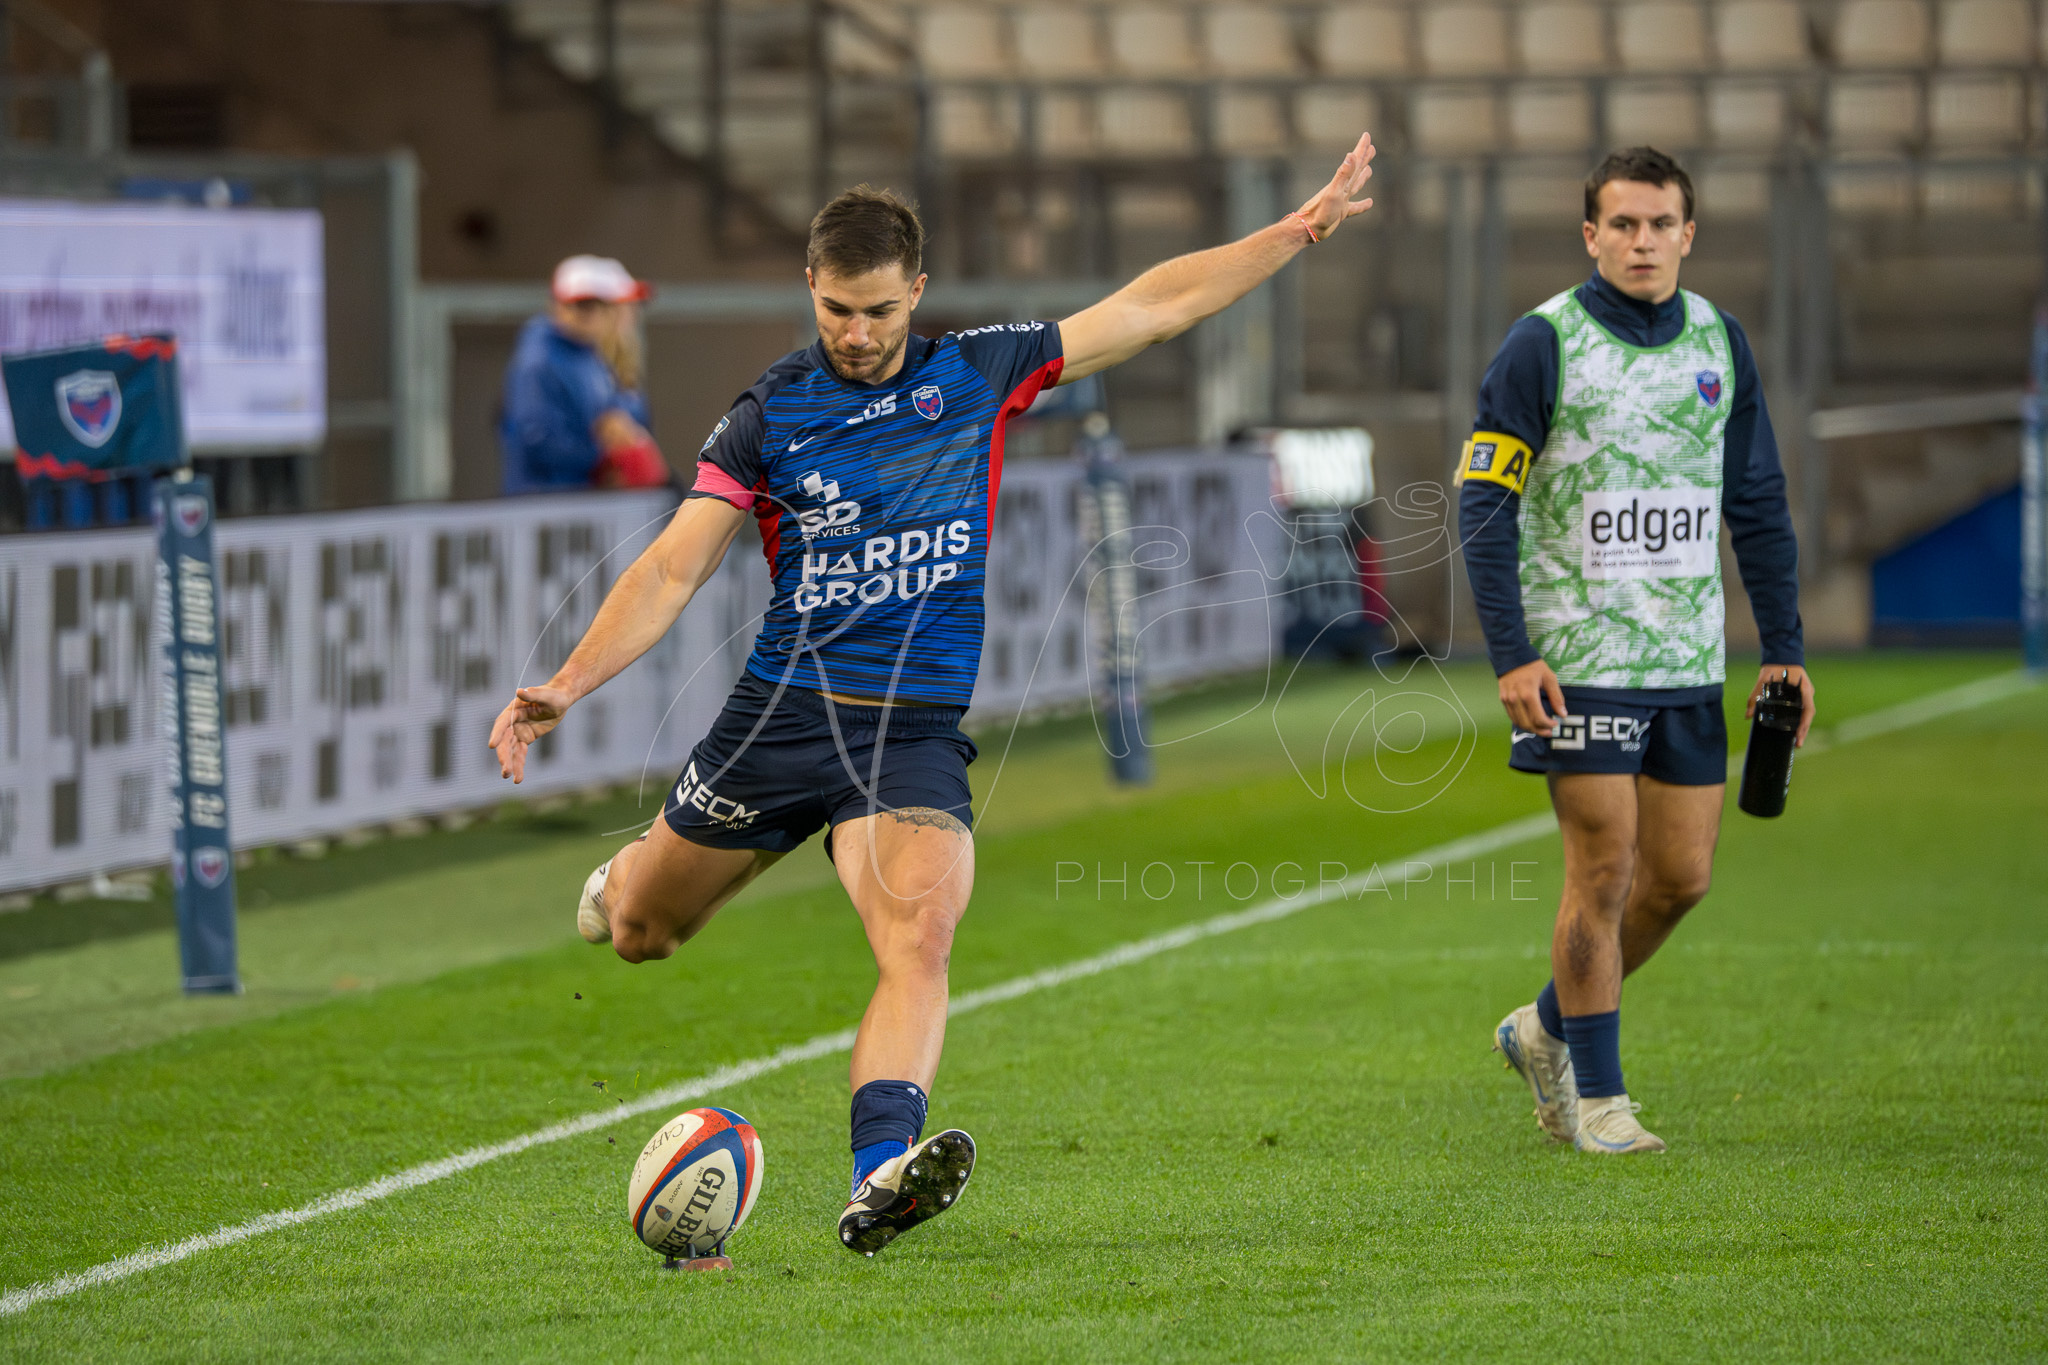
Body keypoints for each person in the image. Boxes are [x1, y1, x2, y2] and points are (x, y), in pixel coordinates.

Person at [488, 133, 1377, 1256]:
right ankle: (626, 873)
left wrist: (1295, 231)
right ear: (809, 287)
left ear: (916, 291)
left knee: (919, 940)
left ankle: (878, 1176)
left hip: (906, 737)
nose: (856, 336)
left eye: (877, 312)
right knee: (639, 935)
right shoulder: (769, 416)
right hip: (780, 720)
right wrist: (562, 685)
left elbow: (1151, 305)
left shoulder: (977, 372)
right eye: (837, 312)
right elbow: (673, 565)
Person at [1457, 147, 1815, 1155]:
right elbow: (1484, 504)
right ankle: (1598, 1101)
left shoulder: (1718, 340)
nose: (1641, 241)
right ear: (1589, 235)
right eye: (1621, 224)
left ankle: (1541, 1028)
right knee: (1603, 869)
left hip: (1685, 657)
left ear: (1687, 234)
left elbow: (1753, 500)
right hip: (1578, 661)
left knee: (1678, 881)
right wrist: (1512, 653)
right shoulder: (1542, 344)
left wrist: (1780, 647)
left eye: (1659, 224)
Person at [498, 255, 670, 495]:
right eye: (583, 305)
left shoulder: (593, 358)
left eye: (600, 306)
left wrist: (623, 436)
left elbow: (626, 422)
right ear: (555, 306)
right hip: (548, 505)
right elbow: (539, 442)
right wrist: (604, 453)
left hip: (586, 504)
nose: (592, 315)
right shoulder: (539, 361)